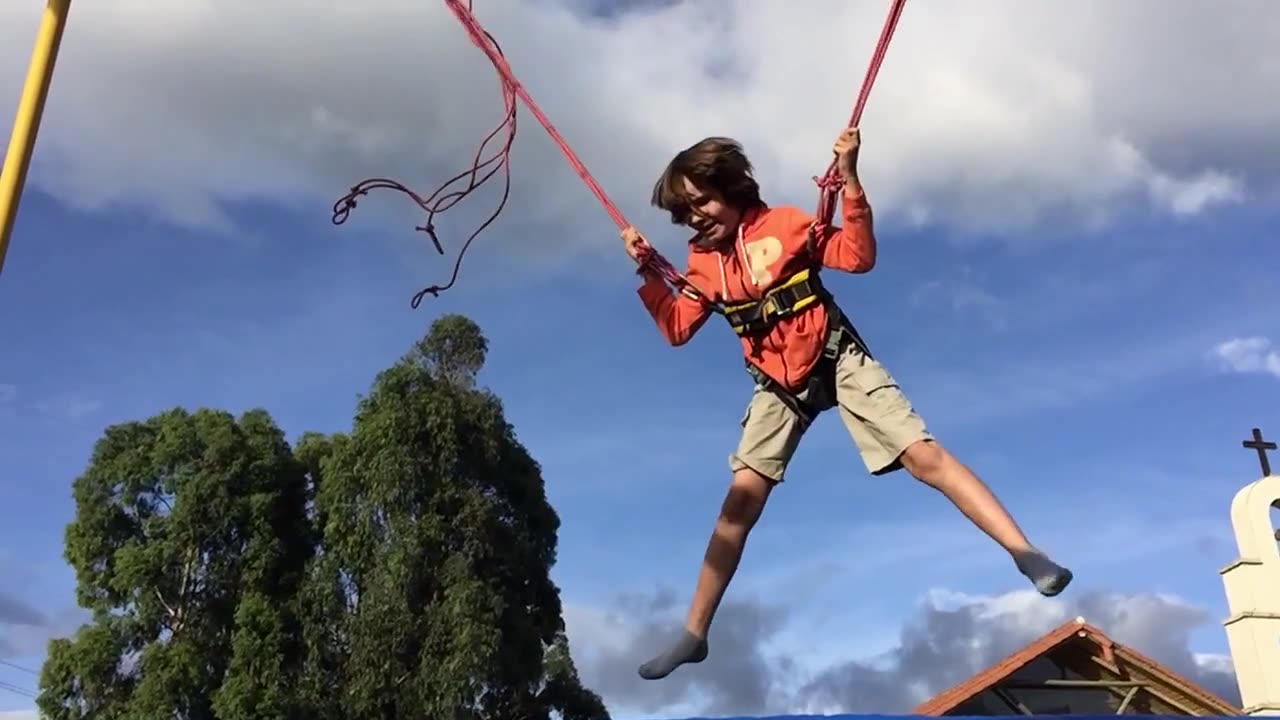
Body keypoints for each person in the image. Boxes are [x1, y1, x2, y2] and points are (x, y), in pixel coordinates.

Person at [620, 128, 1073, 681]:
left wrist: (851, 181)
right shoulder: (701, 264)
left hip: (837, 356)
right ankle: (694, 633)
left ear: (733, 189)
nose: (695, 219)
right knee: (737, 506)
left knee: (923, 457)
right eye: (684, 213)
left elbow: (858, 257)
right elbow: (676, 328)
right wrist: (647, 270)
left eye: (702, 202)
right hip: (777, 385)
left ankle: (1024, 552)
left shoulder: (785, 225)